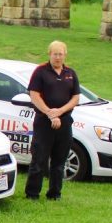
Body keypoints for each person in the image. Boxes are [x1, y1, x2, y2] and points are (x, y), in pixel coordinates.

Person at [25, 41, 80, 201]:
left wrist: (60, 112)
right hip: (44, 122)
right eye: (55, 54)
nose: (57, 57)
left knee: (59, 161)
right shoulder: (40, 71)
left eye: (60, 54)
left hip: (65, 122)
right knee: (39, 160)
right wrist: (50, 114)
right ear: (49, 54)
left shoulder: (70, 73)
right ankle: (32, 194)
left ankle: (55, 194)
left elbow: (75, 97)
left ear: (65, 55)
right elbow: (34, 95)